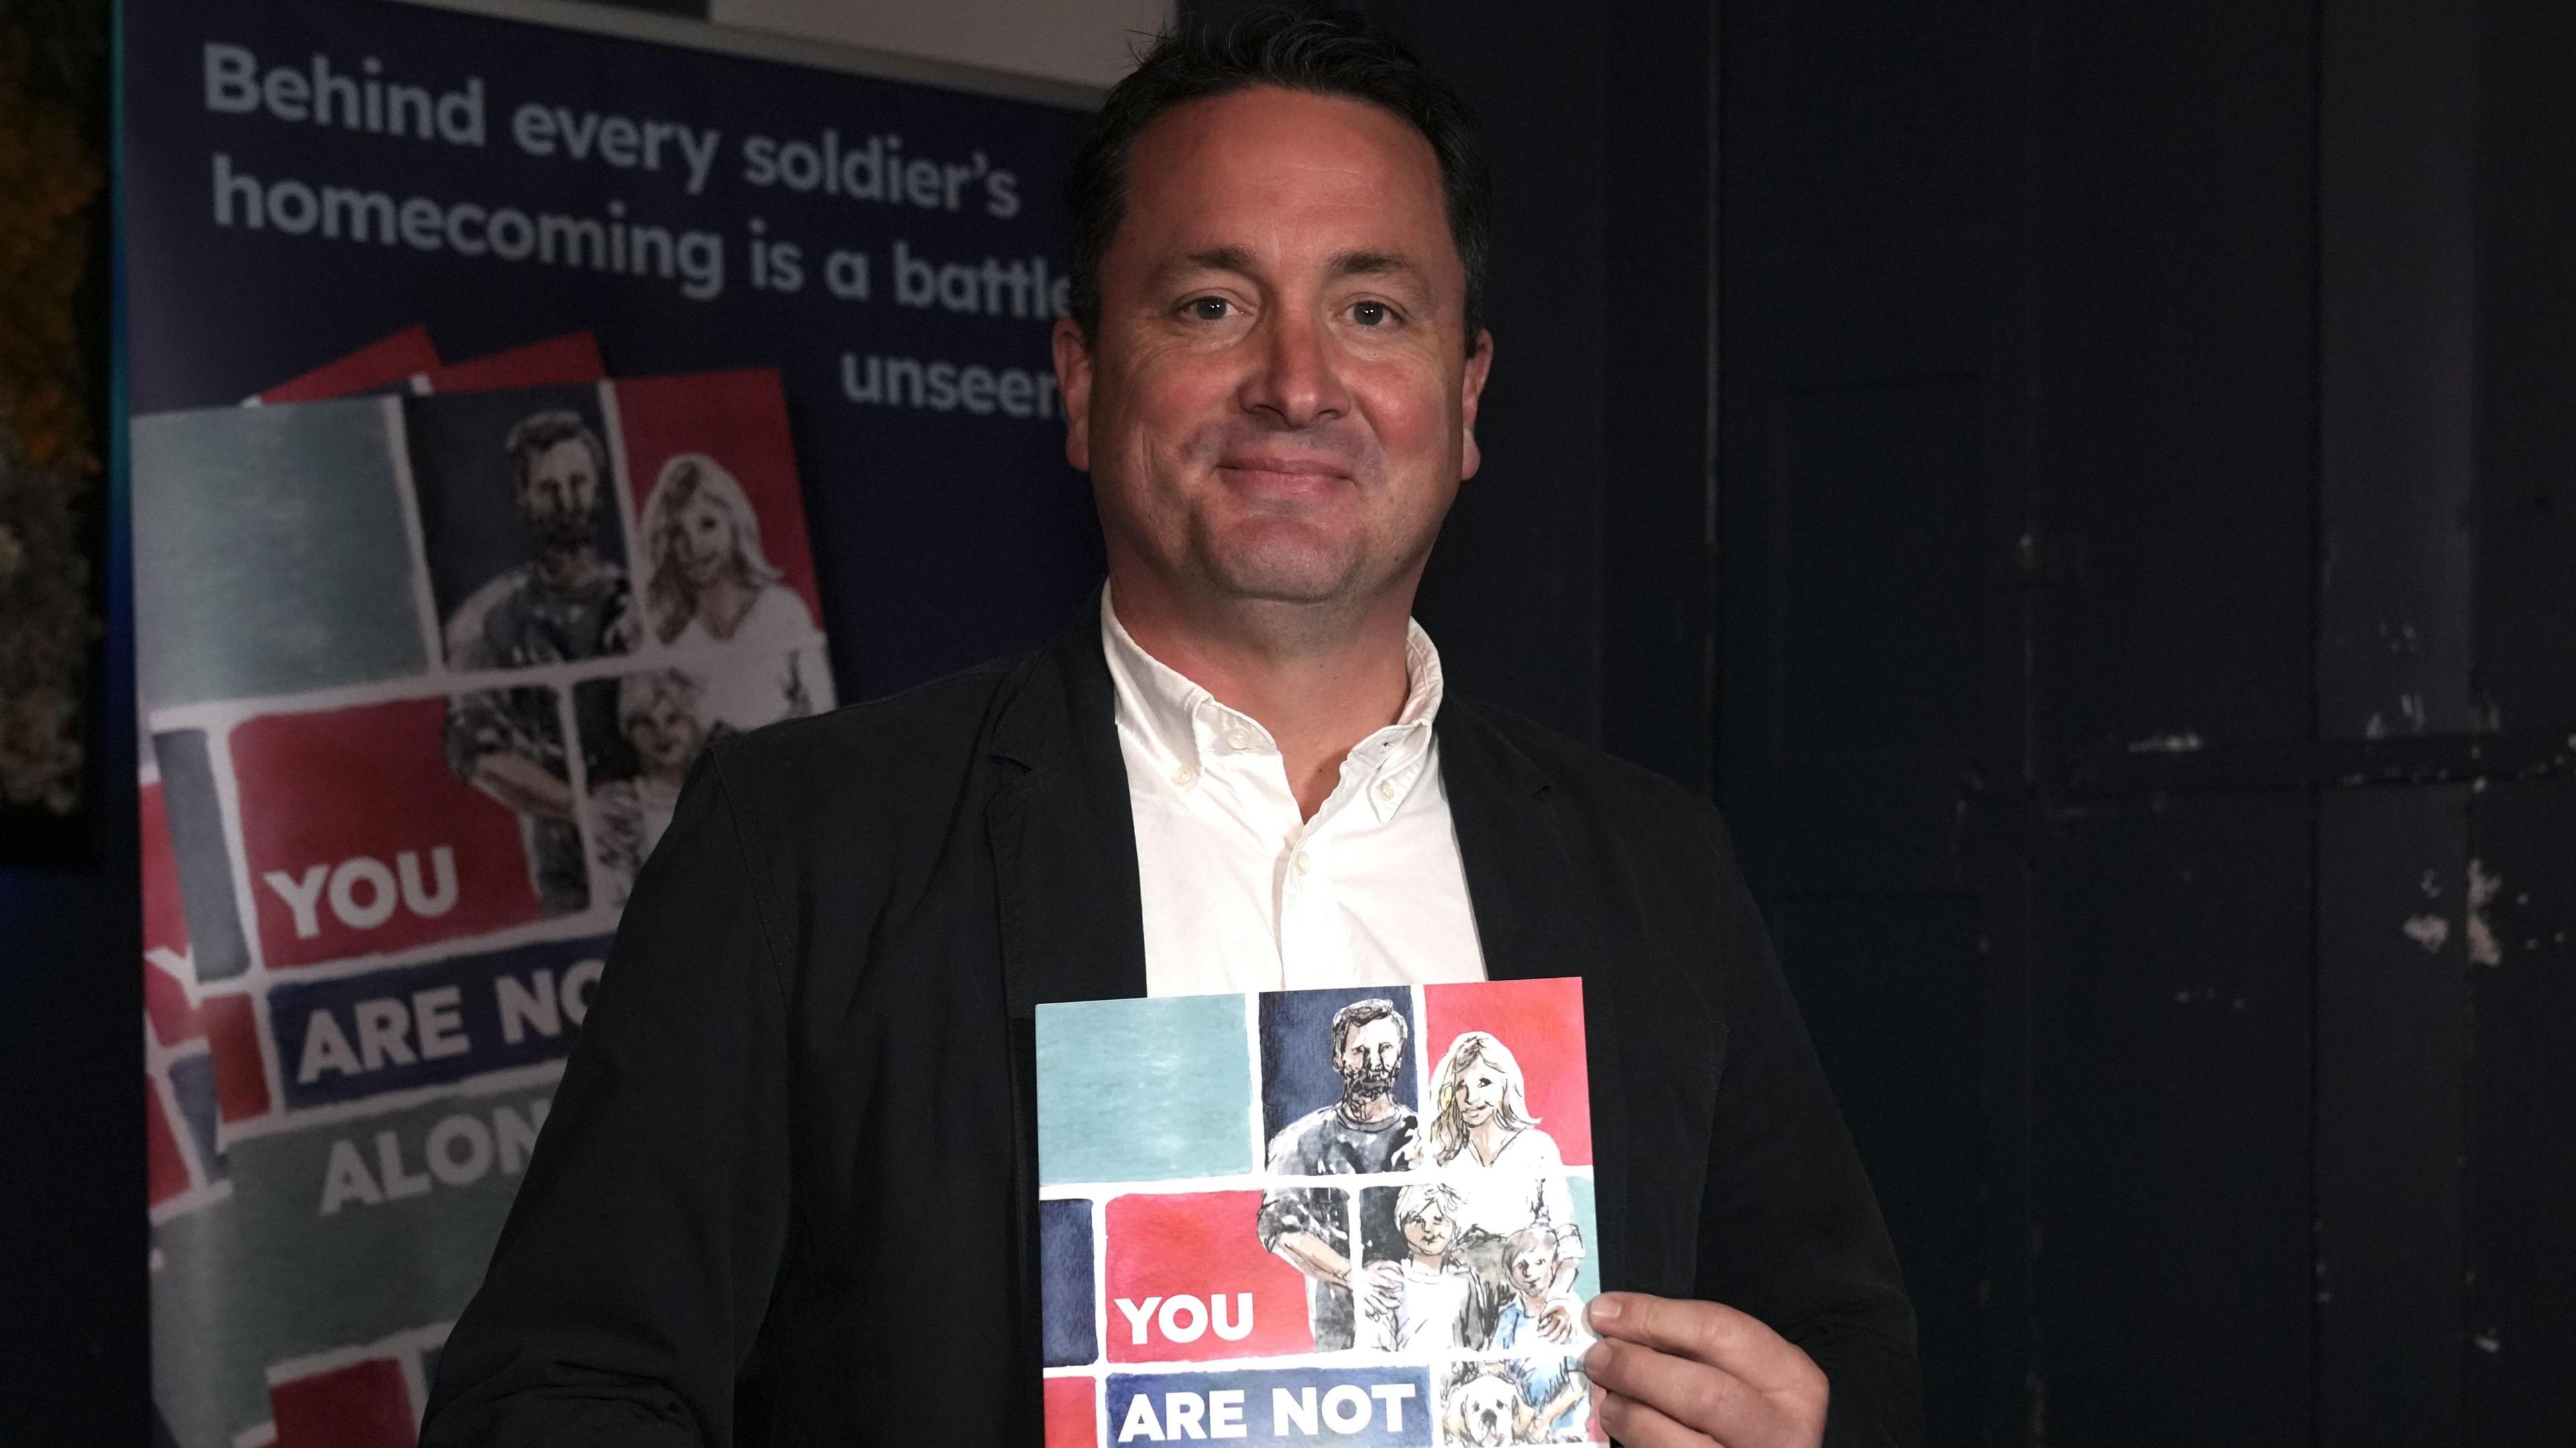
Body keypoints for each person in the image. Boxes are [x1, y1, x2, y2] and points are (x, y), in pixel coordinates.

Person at [423, 14, 1919, 1448]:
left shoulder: (1653, 867)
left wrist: (1815, 1425)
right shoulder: (806, 841)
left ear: (1464, 401)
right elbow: (560, 1387)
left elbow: (1838, 1355)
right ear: (1082, 380)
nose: (1297, 381)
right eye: (1211, 303)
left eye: (1373, 309)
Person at [442, 410, 633, 915]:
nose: (567, 501)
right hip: (569, 880)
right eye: (549, 488)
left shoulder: (647, 599)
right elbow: (477, 751)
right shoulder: (489, 620)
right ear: (523, 498)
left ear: (599, 485)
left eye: (578, 482)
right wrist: (578, 809)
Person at [1256, 997, 1420, 1349]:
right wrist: (1351, 1275)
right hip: (1339, 1331)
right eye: (1360, 1051)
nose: (1374, 1062)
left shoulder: (1427, 1138)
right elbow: (1279, 1228)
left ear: (1400, 1057)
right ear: (1338, 1059)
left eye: (1385, 1048)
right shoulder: (1302, 1141)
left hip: (1423, 1320)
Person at [1423, 1029, 1583, 1336]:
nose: (1471, 1098)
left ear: (1506, 1085)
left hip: (1531, 1302)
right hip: (1462, 1307)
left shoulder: (1537, 1149)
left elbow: (1568, 1245)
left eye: (1484, 1083)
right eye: (1461, 1087)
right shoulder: (1444, 1159)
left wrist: (1558, 1297)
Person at [637, 453, 816, 647]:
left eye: (708, 525)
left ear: (735, 525)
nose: (694, 545)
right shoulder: (672, 637)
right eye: (677, 533)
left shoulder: (783, 611)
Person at [586, 670, 711, 908]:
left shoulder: (716, 791)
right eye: (645, 722)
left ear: (693, 723)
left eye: (673, 719)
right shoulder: (619, 804)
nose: (661, 732)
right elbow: (615, 896)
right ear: (628, 731)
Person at [1358, 1181, 1478, 1352]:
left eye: (1439, 1220)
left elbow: (1475, 1341)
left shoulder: (1464, 1280)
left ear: (1455, 1226)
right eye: (1417, 1220)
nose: (1428, 1229)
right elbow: (1376, 1345)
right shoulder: (1391, 1278)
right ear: (1402, 1225)